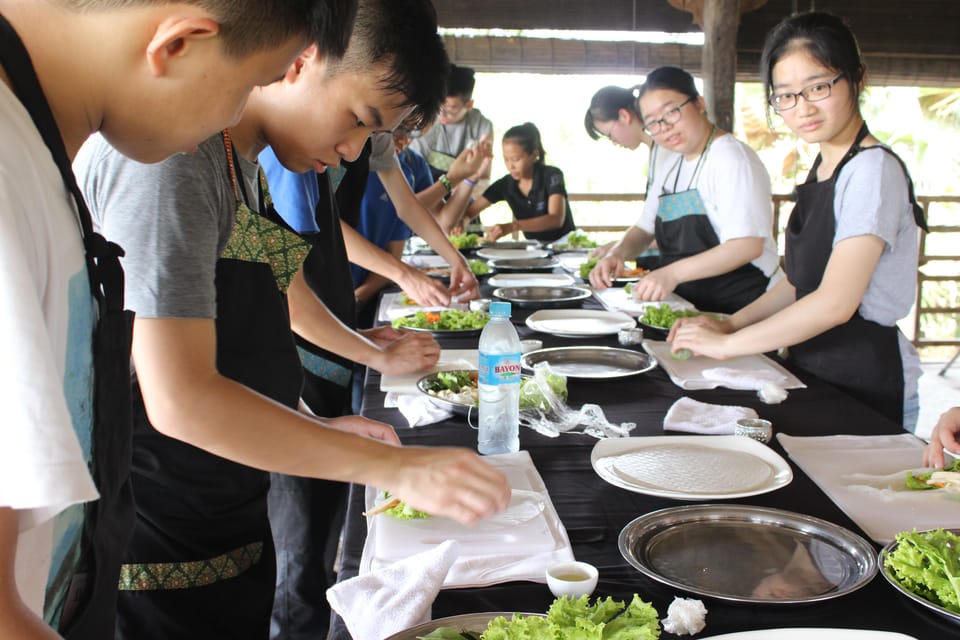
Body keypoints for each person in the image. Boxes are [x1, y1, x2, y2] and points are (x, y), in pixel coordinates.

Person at [75, 1, 511, 638]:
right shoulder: (174, 162)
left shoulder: (239, 162)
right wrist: (393, 469)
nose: (350, 152)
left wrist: (325, 414)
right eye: (357, 121)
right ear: (301, 58)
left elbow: (283, 296)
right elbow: (180, 399)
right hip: (157, 533)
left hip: (228, 509)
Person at [0, 1, 335, 638]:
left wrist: (362, 360)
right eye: (245, 87)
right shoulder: (160, 165)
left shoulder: (41, 147)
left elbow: (280, 279)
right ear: (180, 43)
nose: (237, 116)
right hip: (160, 532)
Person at [670, 12, 926, 431]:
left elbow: (835, 302)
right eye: (785, 95)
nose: (801, 108)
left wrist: (728, 344)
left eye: (818, 87)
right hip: (815, 367)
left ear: (857, 78)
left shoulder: (872, 171)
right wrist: (730, 322)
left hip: (865, 376)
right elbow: (797, 284)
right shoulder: (824, 167)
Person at [590, 67, 781, 315]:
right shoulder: (670, 162)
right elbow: (645, 228)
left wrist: (671, 274)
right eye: (653, 123)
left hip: (747, 306)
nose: (664, 127)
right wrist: (618, 254)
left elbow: (746, 245)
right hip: (694, 307)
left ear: (699, 103)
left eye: (671, 112)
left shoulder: (731, 159)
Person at [351, 126, 483, 326]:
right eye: (399, 130)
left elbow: (407, 207)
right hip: (316, 289)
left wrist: (457, 261)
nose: (403, 140)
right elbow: (327, 227)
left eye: (413, 133)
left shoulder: (385, 145)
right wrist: (404, 274)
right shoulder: (311, 158)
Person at [456, 122, 576, 244]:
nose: (510, 166)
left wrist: (513, 226)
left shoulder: (552, 175)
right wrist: (460, 221)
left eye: (515, 159)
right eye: (506, 159)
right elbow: (470, 212)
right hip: (535, 248)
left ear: (534, 155)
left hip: (566, 246)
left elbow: (555, 219)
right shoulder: (505, 184)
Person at [584, 84, 660, 268]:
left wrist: (619, 249)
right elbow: (653, 224)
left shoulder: (667, 152)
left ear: (625, 116)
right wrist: (619, 248)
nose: (614, 142)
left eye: (609, 134)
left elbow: (673, 230)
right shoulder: (656, 153)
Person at [409, 63, 494, 183]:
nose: (442, 114)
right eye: (439, 105)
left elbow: (484, 176)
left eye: (451, 108)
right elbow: (414, 168)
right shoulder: (427, 119)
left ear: (469, 105)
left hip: (465, 189)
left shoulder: (481, 126)